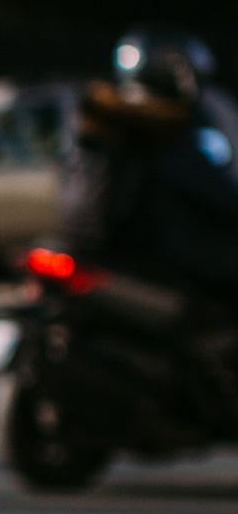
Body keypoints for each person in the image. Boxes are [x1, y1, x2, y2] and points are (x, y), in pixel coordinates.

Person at [66, 28, 238, 311]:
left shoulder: (104, 107)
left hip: (113, 252)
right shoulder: (170, 124)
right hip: (165, 257)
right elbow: (212, 186)